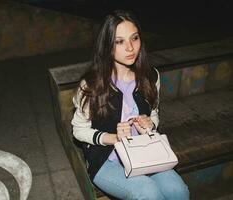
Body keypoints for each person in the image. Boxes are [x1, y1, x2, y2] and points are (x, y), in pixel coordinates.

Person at [71, 10, 190, 200]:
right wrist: (112, 137)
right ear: (107, 46)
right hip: (106, 159)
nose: (130, 48)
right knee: (148, 194)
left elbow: (154, 113)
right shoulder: (92, 85)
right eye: (119, 41)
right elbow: (78, 129)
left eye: (134, 38)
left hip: (143, 153)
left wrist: (150, 124)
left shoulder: (150, 77)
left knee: (179, 192)